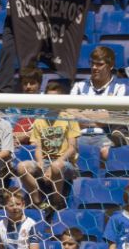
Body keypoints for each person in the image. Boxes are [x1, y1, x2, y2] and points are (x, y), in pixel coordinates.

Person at [17, 82, 81, 210]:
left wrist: (55, 165)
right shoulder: (40, 120)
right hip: (46, 161)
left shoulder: (69, 119)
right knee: (21, 167)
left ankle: (57, 202)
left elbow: (72, 148)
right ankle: (37, 201)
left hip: (65, 164)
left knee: (56, 166)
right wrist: (40, 163)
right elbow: (38, 147)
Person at [69, 46, 127, 162]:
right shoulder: (79, 87)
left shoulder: (119, 88)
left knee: (106, 153)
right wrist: (100, 117)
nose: (94, 67)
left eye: (99, 64)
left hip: (107, 136)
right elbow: (70, 114)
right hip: (79, 136)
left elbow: (113, 117)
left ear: (111, 66)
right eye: (92, 64)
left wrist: (84, 114)